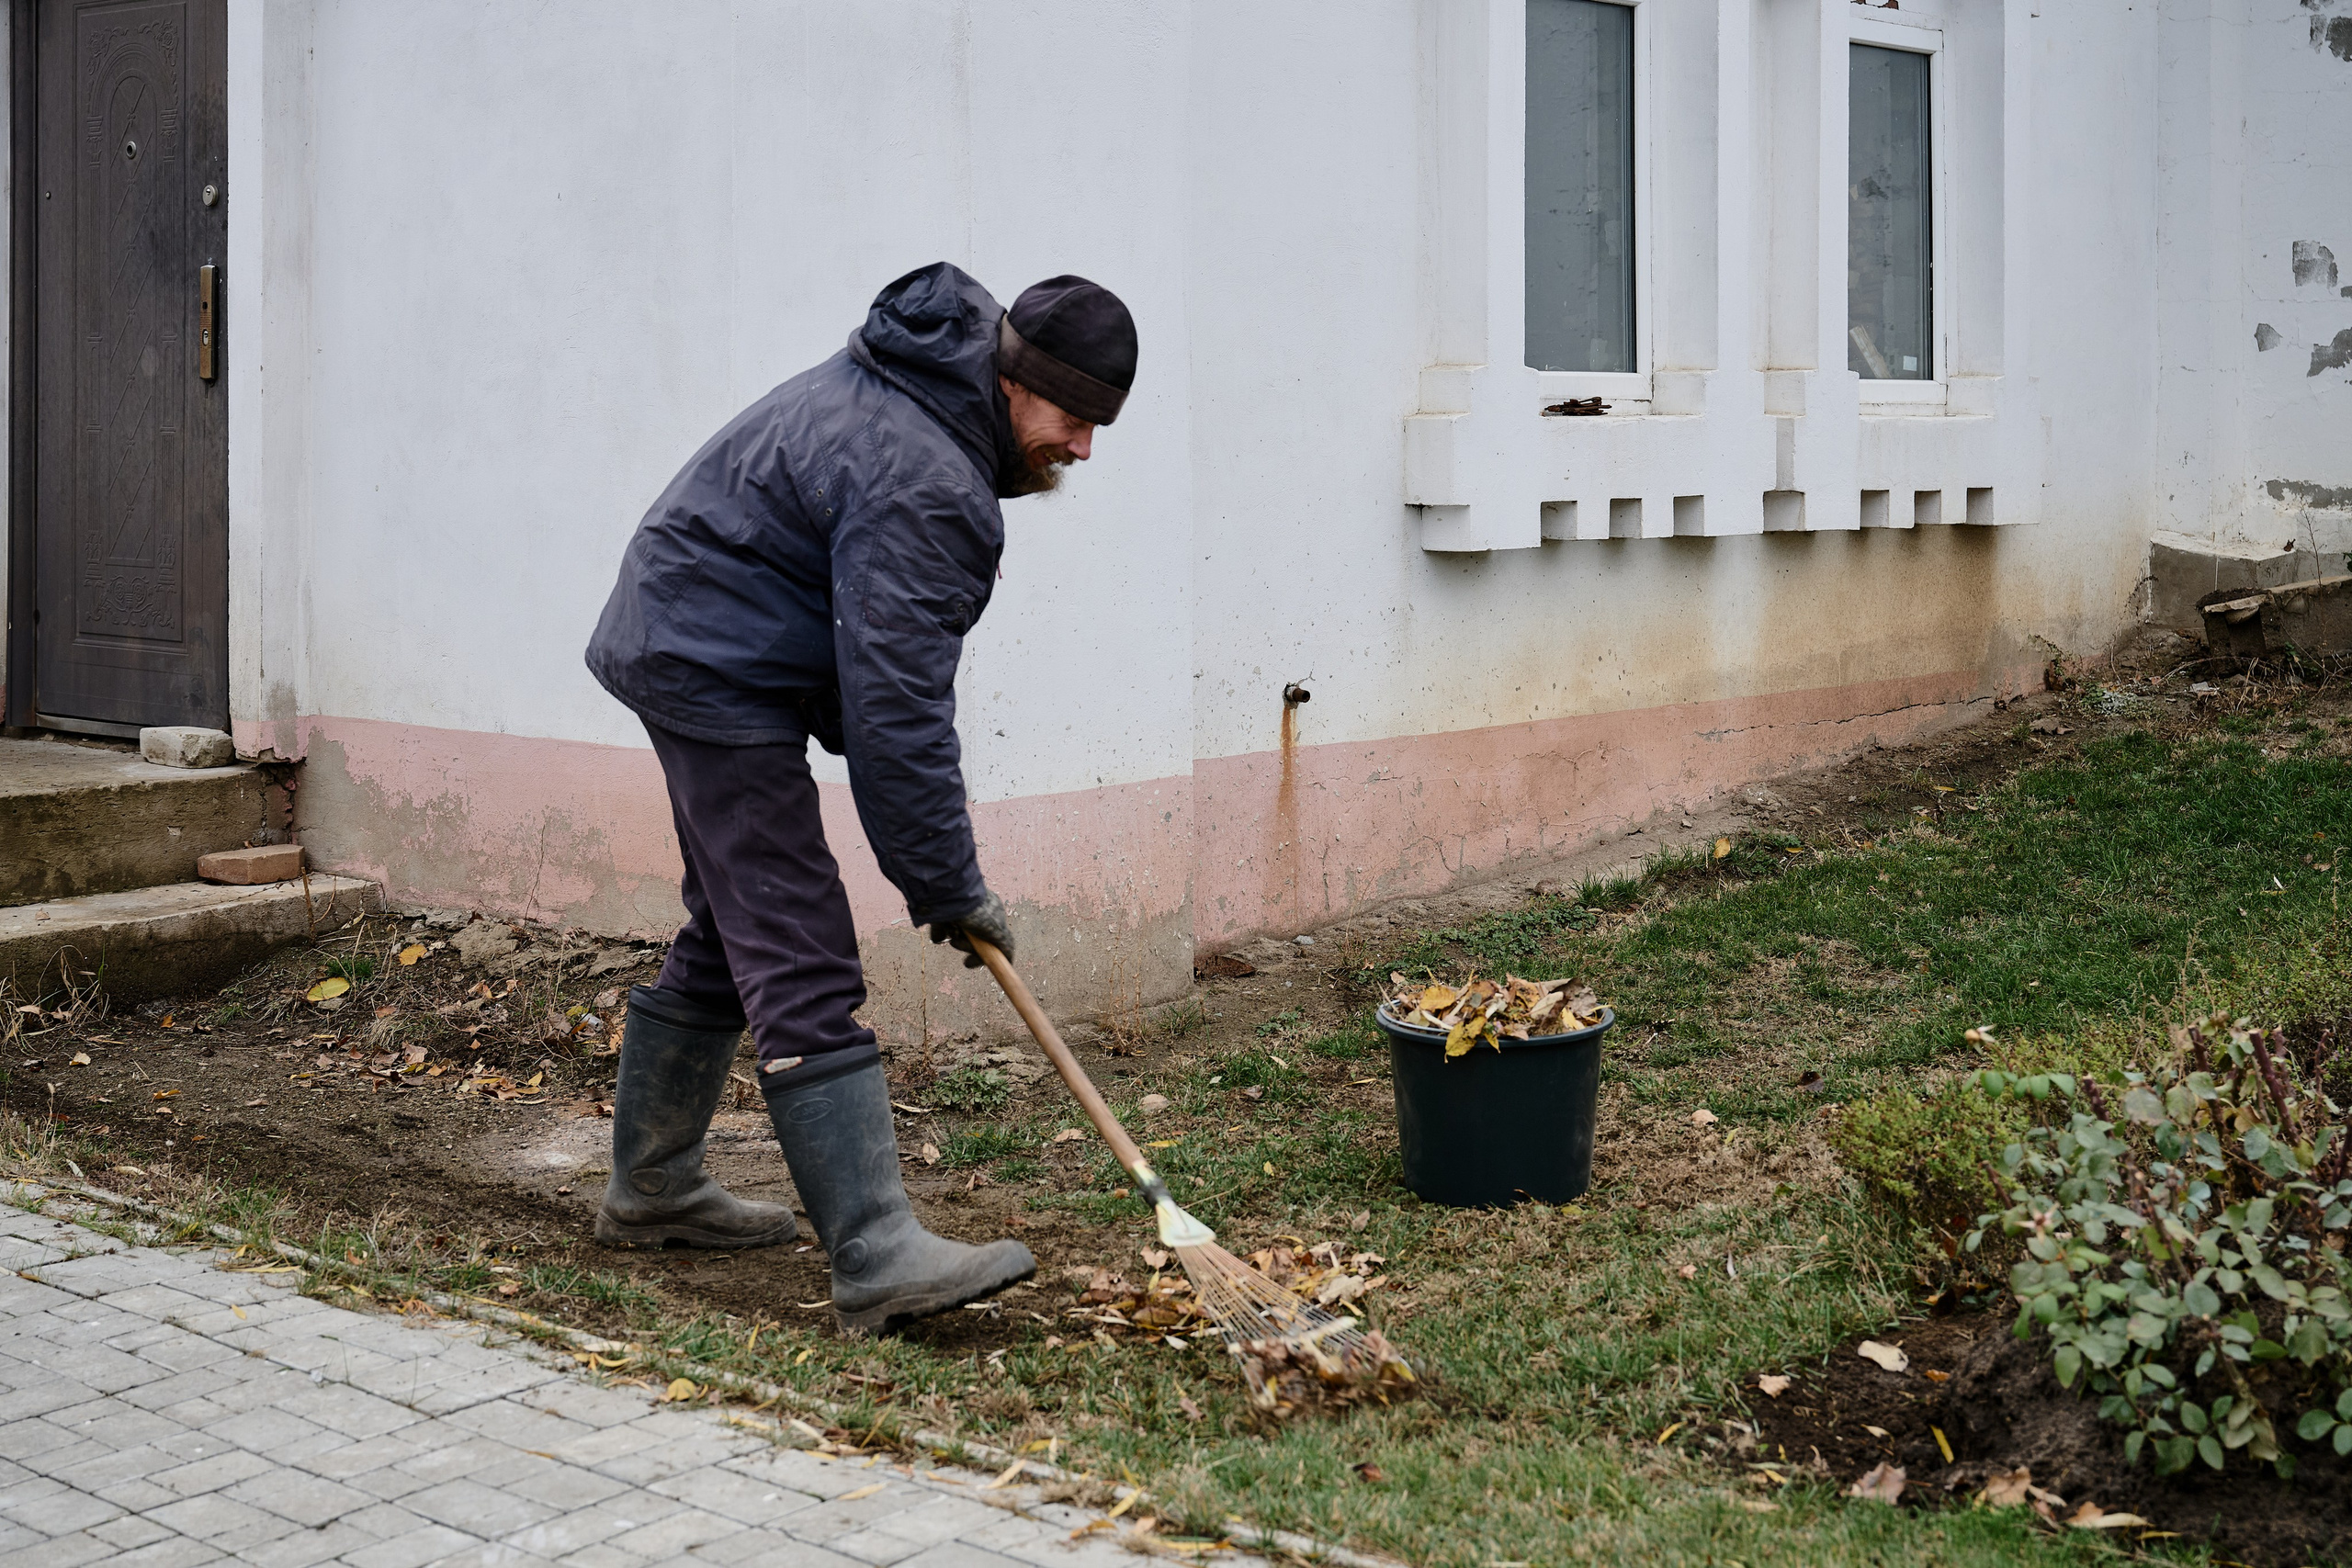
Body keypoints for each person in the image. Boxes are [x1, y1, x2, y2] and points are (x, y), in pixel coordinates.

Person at [582, 263, 1136, 1333]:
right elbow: (897, 713)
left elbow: (869, 661)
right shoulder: (926, 478)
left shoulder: (931, 400)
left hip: (702, 631)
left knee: (738, 921)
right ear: (1016, 380)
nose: (1081, 448)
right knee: (793, 932)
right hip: (709, 659)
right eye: (1073, 419)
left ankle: (652, 1188)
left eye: (1097, 426)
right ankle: (876, 1251)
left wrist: (938, 874)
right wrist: (947, 884)